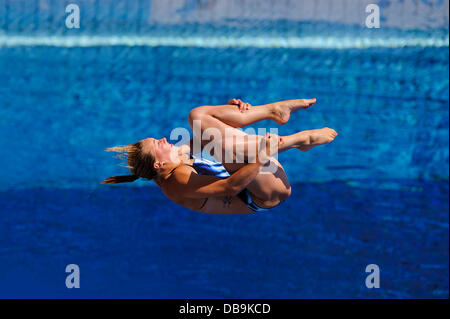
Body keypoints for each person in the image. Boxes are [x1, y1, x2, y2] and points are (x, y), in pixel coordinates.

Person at [103, 98, 338, 214]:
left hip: (257, 170)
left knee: (197, 116)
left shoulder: (172, 160)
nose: (163, 139)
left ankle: (273, 111)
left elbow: (207, 132)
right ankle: (298, 141)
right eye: (157, 143)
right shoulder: (178, 182)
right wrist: (262, 156)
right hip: (267, 192)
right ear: (159, 163)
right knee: (219, 142)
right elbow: (230, 187)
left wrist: (229, 112)